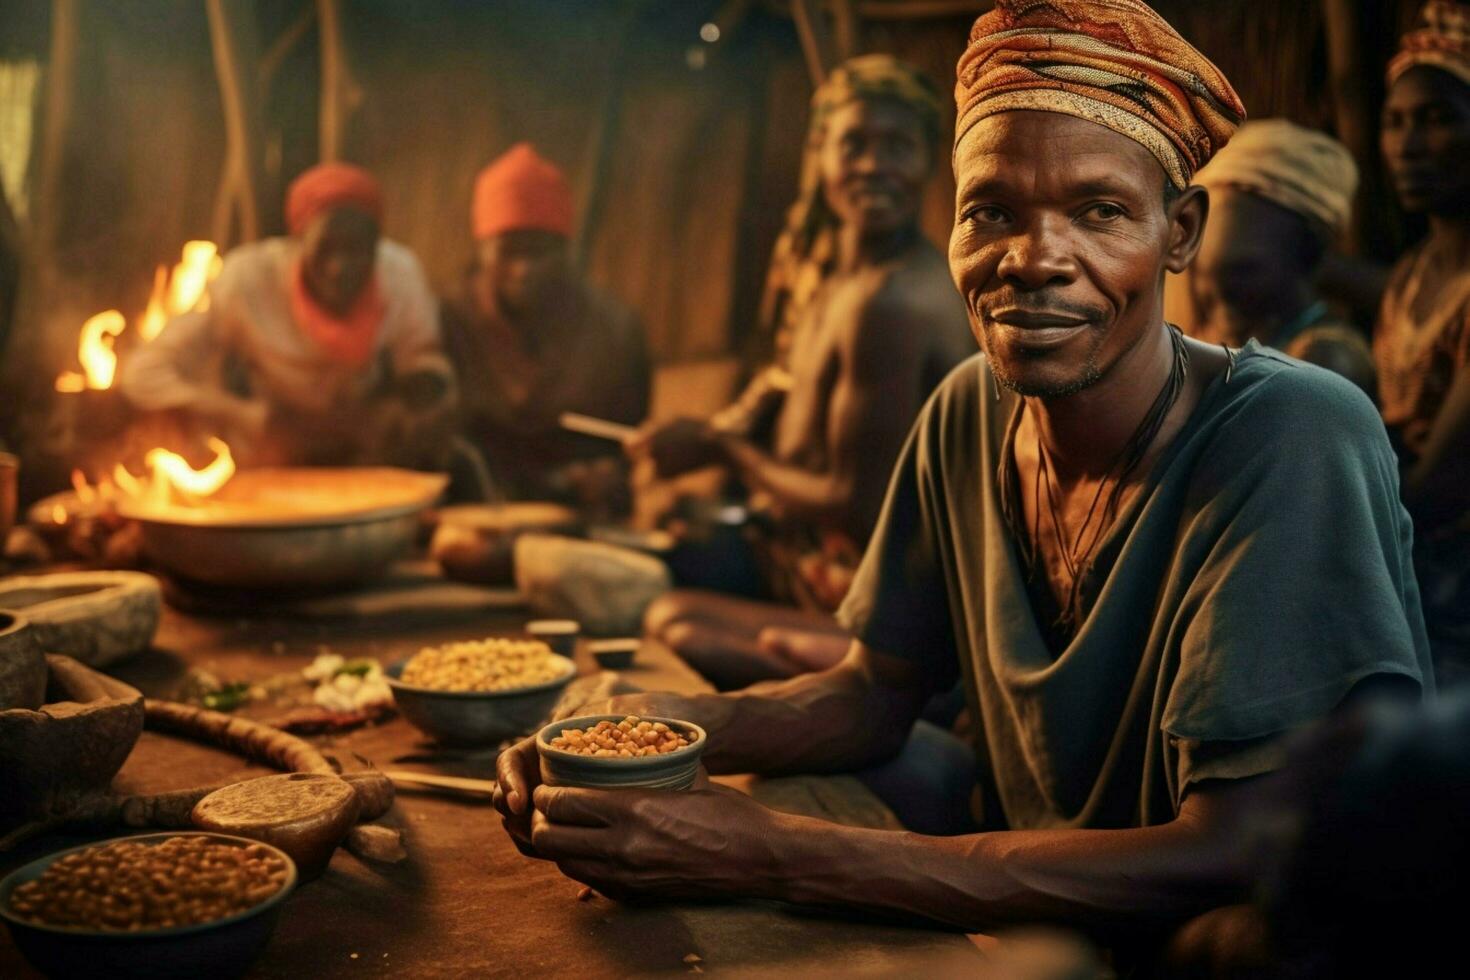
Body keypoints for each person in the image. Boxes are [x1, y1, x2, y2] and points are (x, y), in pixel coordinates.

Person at [495, 0, 1431, 961]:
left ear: (1180, 233)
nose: (1034, 261)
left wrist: (776, 855)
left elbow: (1230, 852)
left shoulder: (1291, 433)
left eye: (1100, 212)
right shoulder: (966, 412)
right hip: (1053, 903)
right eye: (992, 211)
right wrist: (651, 729)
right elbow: (873, 694)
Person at [632, 55, 973, 690]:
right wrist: (705, 443)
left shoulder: (892, 303)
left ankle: (883, 700)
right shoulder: (829, 280)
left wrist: (722, 449)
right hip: (803, 568)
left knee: (670, 622)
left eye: (898, 146)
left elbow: (855, 504)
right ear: (819, 155)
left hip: (884, 610)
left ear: (931, 162)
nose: (874, 164)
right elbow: (782, 421)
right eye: (854, 144)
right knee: (663, 552)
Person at [120, 163, 453, 468]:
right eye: (326, 248)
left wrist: (409, 404)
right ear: (298, 240)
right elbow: (144, 373)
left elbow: (423, 358)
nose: (340, 267)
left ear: (377, 246)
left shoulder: (400, 274)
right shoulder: (246, 281)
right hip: (268, 462)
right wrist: (244, 416)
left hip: (366, 459)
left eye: (358, 250)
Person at [439, 143, 649, 516]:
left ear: (566, 250)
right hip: (474, 520)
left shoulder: (616, 334)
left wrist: (610, 474)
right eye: (509, 251)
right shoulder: (450, 321)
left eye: (539, 252)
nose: (523, 270)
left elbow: (628, 447)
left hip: (584, 522)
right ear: (482, 249)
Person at [1377, 0, 1470, 680]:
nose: (1408, 145)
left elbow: (1441, 483)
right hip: (1412, 570)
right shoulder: (1407, 279)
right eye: (1396, 122)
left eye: (1437, 119)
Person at [1187, 119, 1376, 397]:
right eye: (1202, 270)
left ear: (1309, 254)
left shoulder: (1324, 360)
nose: (1218, 289)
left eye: (1244, 271)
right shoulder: (1233, 342)